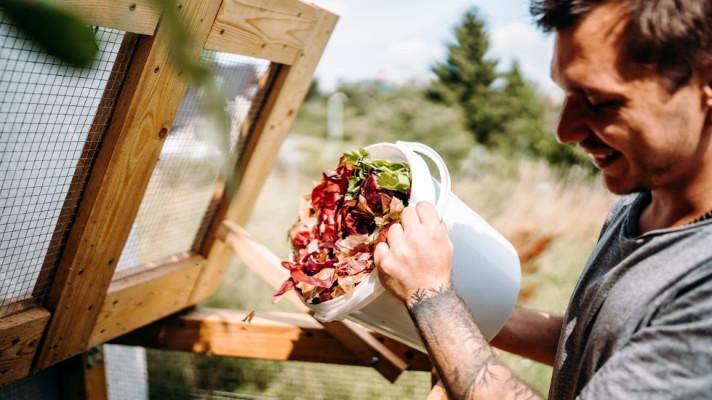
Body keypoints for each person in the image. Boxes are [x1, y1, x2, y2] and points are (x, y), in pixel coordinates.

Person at [374, 0, 712, 398]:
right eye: (567, 93)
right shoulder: (640, 201)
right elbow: (593, 343)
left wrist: (431, 298)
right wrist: (438, 316)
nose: (565, 131)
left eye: (600, 101)